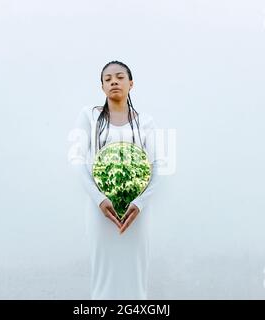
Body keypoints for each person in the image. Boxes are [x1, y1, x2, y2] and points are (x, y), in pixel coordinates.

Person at [68, 60, 164, 300]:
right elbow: (78, 160)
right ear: (102, 87)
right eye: (107, 79)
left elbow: (158, 166)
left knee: (135, 270)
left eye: (120, 77)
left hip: (136, 212)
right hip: (101, 210)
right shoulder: (89, 116)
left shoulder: (145, 122)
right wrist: (99, 199)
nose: (114, 81)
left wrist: (140, 203)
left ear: (131, 84)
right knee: (103, 270)